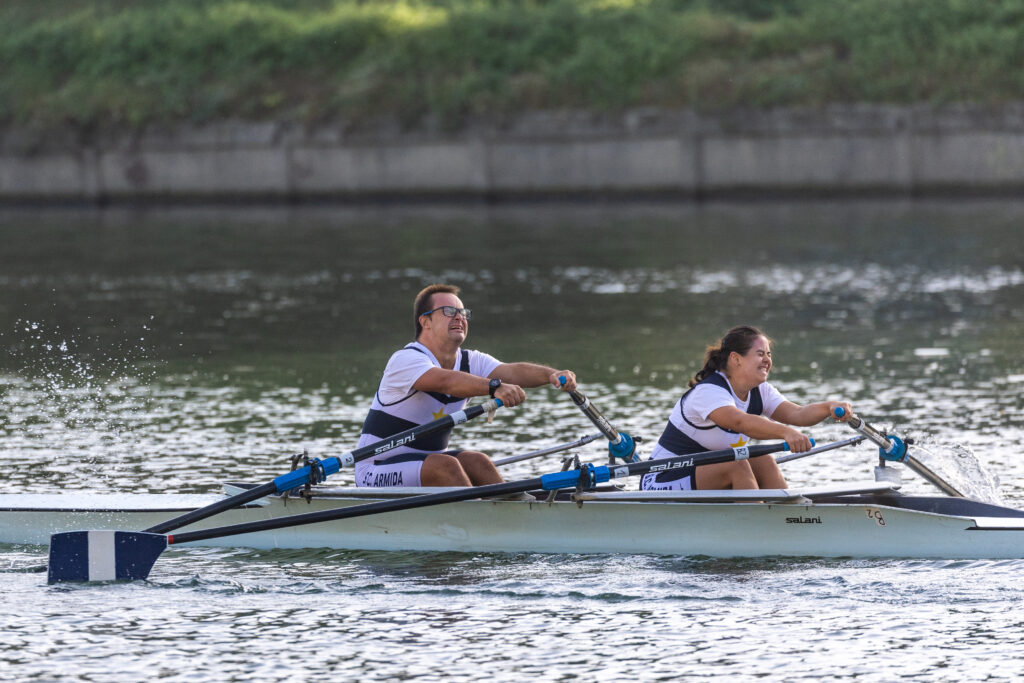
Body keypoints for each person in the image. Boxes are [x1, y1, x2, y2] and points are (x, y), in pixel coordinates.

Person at [355, 283, 578, 488]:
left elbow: (512, 371)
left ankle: (513, 514)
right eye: (449, 311)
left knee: (478, 461)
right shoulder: (405, 359)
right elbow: (447, 382)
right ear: (425, 321)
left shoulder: (471, 361)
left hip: (425, 464)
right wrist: (495, 387)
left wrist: (552, 374)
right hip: (375, 470)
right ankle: (484, 522)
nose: (459, 317)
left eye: (463, 313)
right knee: (445, 466)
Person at [641, 325, 852, 491]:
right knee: (738, 463)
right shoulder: (708, 392)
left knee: (763, 459)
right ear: (736, 359)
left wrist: (829, 406)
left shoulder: (761, 391)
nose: (767, 360)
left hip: (701, 475)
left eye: (769, 354)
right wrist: (786, 433)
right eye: (760, 354)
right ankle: (757, 530)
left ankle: (789, 520)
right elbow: (740, 422)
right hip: (661, 479)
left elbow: (797, 414)